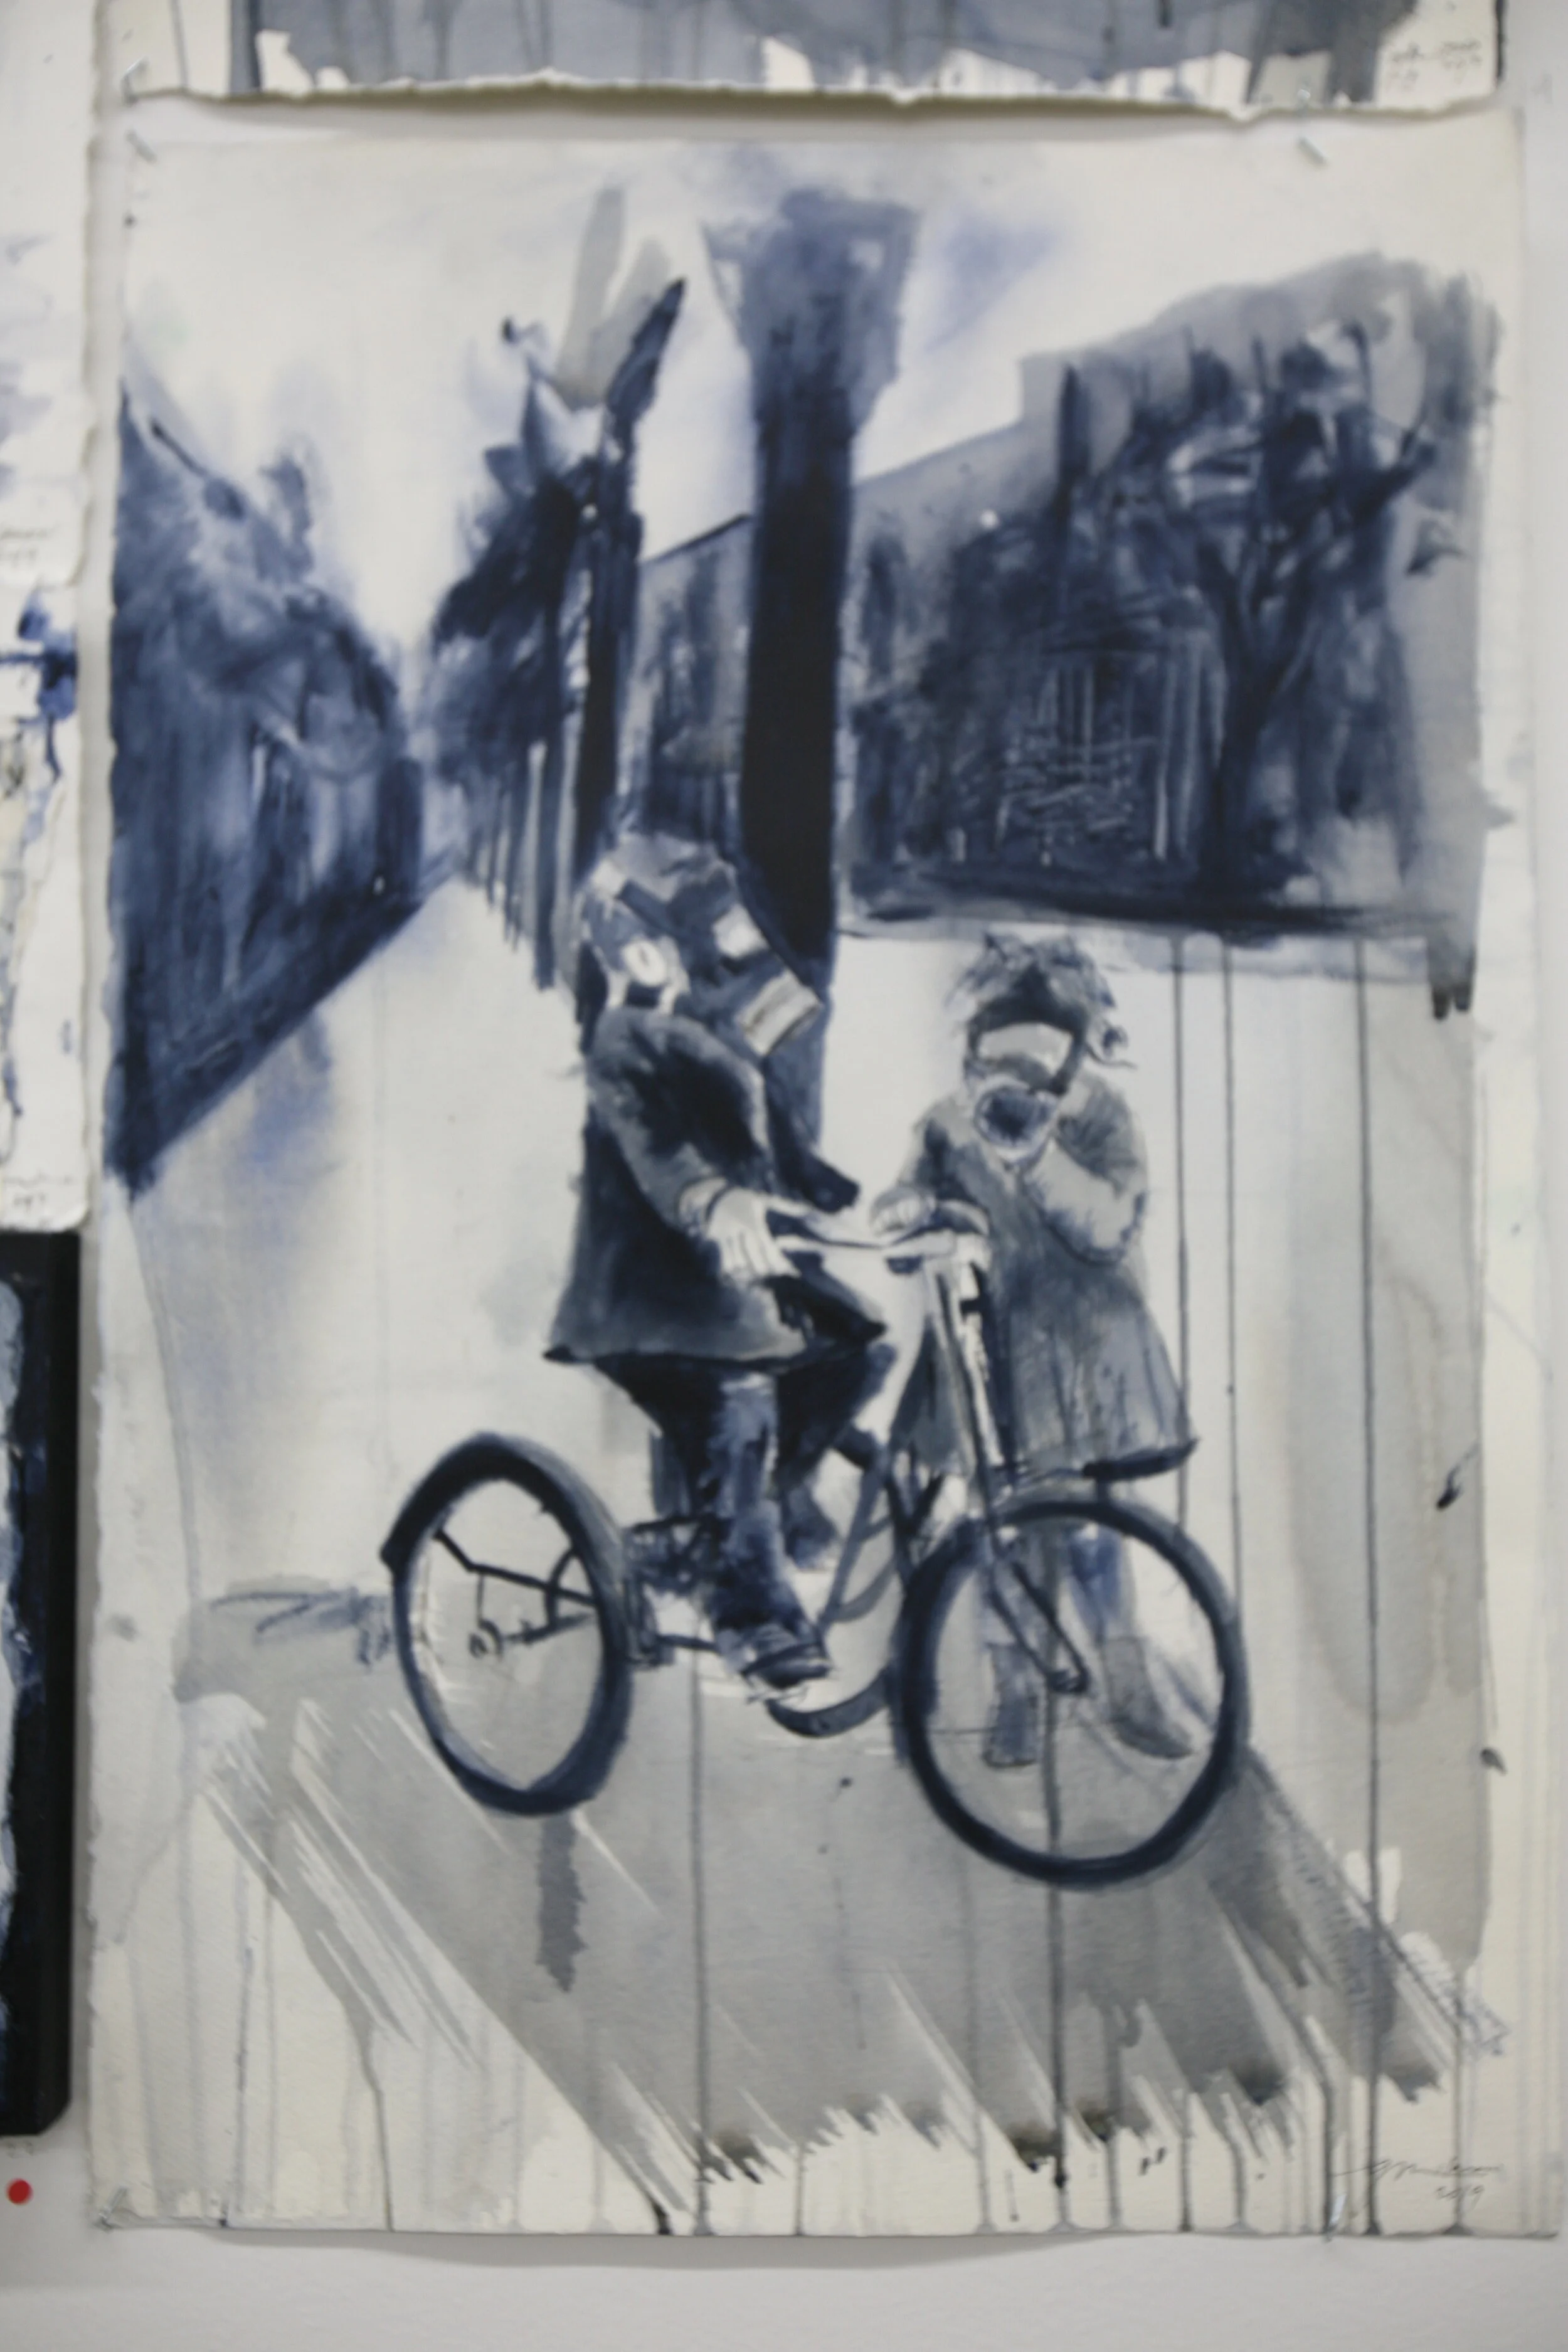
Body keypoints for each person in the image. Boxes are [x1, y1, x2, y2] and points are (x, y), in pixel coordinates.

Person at [549, 829, 887, 1691]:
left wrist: (822, 1193)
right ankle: (750, 1607)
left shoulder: (726, 1032)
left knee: (854, 1352)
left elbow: (770, 1137)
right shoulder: (624, 1037)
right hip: (651, 1294)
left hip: (727, 1280)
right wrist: (712, 1199)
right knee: (741, 1399)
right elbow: (660, 1152)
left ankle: (746, 1517)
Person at [874, 935, 1194, 1764]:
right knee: (999, 1532)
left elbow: (1107, 1227)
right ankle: (1014, 1688)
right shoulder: (947, 1123)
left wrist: (1039, 1153)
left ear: (1069, 1063)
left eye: (1033, 1071)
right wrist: (907, 1211)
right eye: (992, 1066)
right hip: (987, 1359)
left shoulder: (1100, 1117)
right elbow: (909, 1208)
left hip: (1080, 1358)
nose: (1008, 1087)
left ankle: (1127, 1684)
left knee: (1090, 1527)